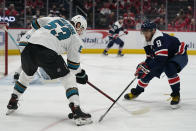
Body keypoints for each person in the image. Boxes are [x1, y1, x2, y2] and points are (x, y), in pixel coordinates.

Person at [6, 15, 93, 126]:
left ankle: (13, 100)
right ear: (78, 26)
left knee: (26, 75)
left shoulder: (57, 19)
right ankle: (76, 110)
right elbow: (73, 66)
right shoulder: (75, 37)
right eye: (82, 29)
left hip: (28, 48)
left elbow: (35, 23)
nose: (81, 32)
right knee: (68, 77)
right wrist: (81, 75)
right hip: (46, 52)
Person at [124, 20, 188, 109]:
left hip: (178, 54)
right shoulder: (146, 41)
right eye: (143, 32)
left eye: (146, 32)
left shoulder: (159, 38)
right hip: (165, 56)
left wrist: (147, 67)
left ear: (153, 30)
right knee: (147, 73)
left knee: (169, 68)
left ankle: (176, 95)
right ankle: (137, 91)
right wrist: (143, 67)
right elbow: (150, 58)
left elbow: (161, 59)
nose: (144, 34)